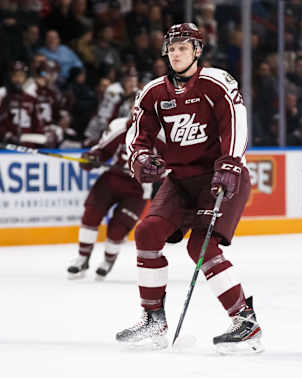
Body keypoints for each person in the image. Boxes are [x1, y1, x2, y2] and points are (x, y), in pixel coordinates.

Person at [116, 23, 263, 354]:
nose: (176, 52)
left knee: (201, 246)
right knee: (148, 233)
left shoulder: (216, 83)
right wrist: (139, 159)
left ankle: (245, 321)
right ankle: (154, 320)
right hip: (180, 180)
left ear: (198, 51)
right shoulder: (153, 92)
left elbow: (236, 121)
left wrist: (229, 163)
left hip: (220, 178)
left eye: (183, 47)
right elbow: (136, 134)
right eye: (172, 47)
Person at [66, 113, 156, 279]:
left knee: (117, 229)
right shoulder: (120, 126)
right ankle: (83, 257)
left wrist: (154, 172)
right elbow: (102, 150)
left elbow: (168, 166)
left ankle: (108, 260)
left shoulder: (162, 135)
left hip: (138, 189)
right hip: (112, 179)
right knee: (91, 214)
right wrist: (92, 158)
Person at [0, 61, 41, 145]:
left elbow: (37, 123)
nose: (18, 79)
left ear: (25, 77)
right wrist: (8, 137)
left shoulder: (31, 98)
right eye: (15, 76)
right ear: (10, 77)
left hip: (29, 145)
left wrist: (40, 139)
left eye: (21, 76)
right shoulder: (4, 97)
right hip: (9, 145)